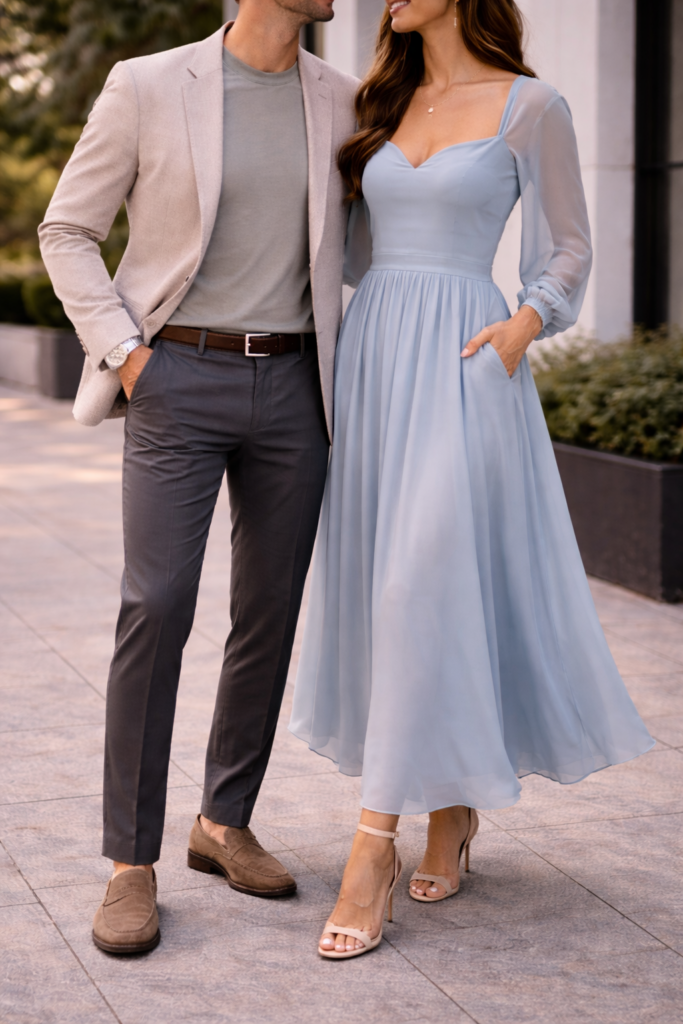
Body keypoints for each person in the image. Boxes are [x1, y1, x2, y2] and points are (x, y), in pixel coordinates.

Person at [289, 0, 654, 960]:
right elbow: (344, 249)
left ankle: (371, 845)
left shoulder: (532, 107)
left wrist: (523, 325)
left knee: (422, 582)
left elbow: (569, 243)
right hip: (375, 363)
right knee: (401, 589)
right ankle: (449, 808)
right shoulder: (377, 99)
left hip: (465, 362)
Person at [39, 0, 358, 954]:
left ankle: (222, 821)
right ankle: (129, 863)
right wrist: (130, 356)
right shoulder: (148, 84)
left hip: (297, 385)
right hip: (179, 375)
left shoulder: (342, 99)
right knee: (159, 603)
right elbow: (67, 229)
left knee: (269, 611)